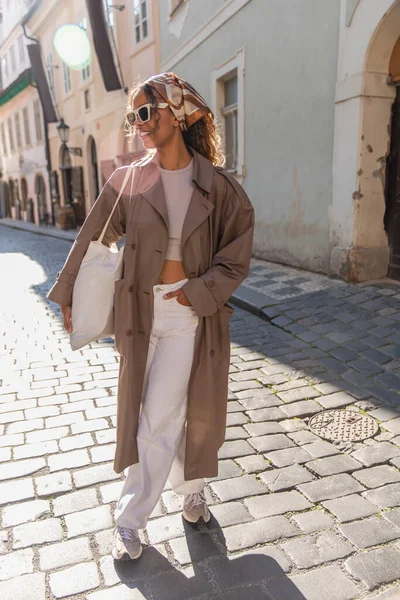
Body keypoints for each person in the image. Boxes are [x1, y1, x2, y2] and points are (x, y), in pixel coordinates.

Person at [47, 72, 254, 561]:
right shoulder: (130, 181)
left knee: (165, 413)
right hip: (137, 315)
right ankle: (190, 491)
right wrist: (67, 291)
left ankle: (131, 520)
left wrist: (198, 293)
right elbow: (92, 237)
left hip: (187, 314)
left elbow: (238, 252)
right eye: (132, 116)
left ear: (175, 114)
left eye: (145, 112)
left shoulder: (218, 186)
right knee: (163, 412)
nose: (138, 124)